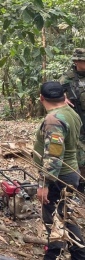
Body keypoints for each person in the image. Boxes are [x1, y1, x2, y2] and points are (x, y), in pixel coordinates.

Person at [33, 81, 85, 260]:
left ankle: (72, 254)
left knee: (58, 218)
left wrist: (44, 183)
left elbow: (54, 156)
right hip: (69, 173)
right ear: (64, 97)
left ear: (41, 98)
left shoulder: (53, 120)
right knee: (64, 215)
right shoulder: (71, 112)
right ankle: (58, 251)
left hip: (59, 177)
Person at [60, 48, 85, 194]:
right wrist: (62, 98)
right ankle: (79, 185)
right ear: (76, 61)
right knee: (79, 156)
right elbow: (54, 93)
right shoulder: (67, 77)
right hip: (77, 120)